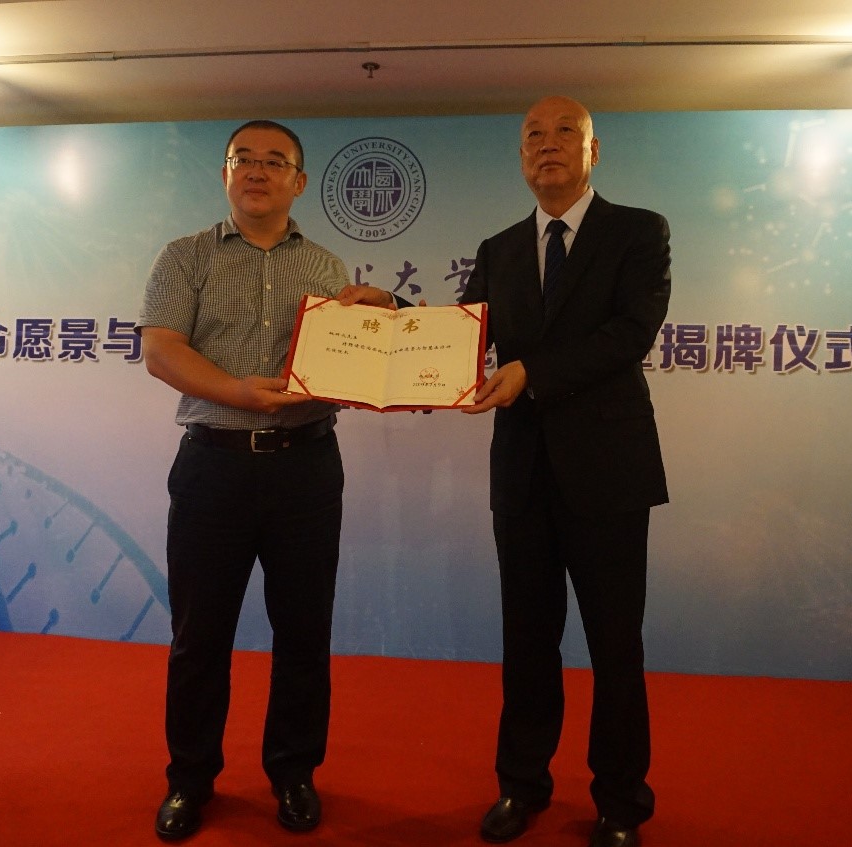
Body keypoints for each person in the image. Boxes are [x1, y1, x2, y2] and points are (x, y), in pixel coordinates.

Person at [137, 119, 396, 842]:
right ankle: (190, 778)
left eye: (274, 161)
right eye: (242, 159)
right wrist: (236, 392)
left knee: (304, 631)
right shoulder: (184, 256)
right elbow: (161, 350)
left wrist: (377, 337)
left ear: (299, 181)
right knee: (199, 635)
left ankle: (293, 772)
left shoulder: (326, 267)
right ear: (225, 173)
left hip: (305, 467)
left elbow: (346, 363)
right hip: (213, 466)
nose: (257, 170)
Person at [459, 96, 672, 847]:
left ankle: (620, 800)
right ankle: (521, 785)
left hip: (609, 472)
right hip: (522, 473)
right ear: (520, 156)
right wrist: (383, 318)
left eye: (564, 133)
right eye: (532, 136)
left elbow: (629, 333)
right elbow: (460, 333)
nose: (546, 145)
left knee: (615, 643)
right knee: (526, 638)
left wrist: (532, 373)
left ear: (592, 150)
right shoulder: (500, 248)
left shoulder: (637, 231)